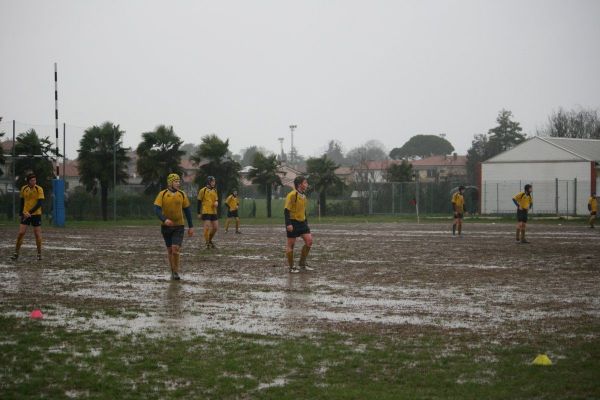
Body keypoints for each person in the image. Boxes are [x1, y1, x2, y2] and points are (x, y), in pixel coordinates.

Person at [153, 173, 194, 280]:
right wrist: (164, 219)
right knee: (170, 250)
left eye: (179, 181)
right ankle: (172, 270)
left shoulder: (182, 194)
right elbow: (156, 209)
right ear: (170, 182)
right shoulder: (162, 194)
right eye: (176, 181)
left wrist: (191, 226)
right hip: (165, 227)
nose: (178, 183)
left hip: (179, 226)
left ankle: (176, 272)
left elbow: (188, 211)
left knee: (175, 249)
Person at [10, 173, 45, 261]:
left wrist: (30, 212)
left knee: (37, 234)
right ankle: (16, 253)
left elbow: (39, 203)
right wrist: (21, 213)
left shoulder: (39, 189)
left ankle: (39, 254)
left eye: (35, 180)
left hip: (36, 214)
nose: (34, 182)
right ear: (28, 181)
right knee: (21, 233)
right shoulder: (24, 188)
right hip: (25, 214)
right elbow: (22, 202)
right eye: (32, 180)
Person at [284, 176, 314, 273]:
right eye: (305, 183)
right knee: (291, 245)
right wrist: (288, 224)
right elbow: (286, 210)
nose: (307, 185)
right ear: (299, 184)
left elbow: (303, 211)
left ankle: (302, 264)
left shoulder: (304, 196)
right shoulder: (292, 195)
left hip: (302, 223)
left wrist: (306, 222)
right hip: (292, 222)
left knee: (309, 241)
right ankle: (291, 267)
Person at [197, 176, 219, 249]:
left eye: (214, 181)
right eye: (213, 181)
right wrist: (198, 213)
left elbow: (216, 199)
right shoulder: (202, 190)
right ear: (209, 182)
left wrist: (216, 202)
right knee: (206, 228)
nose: (214, 183)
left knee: (215, 228)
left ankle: (209, 240)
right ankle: (207, 244)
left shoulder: (215, 190)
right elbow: (199, 202)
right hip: (206, 211)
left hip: (213, 211)